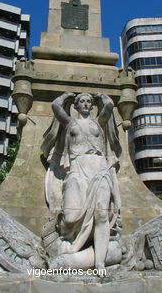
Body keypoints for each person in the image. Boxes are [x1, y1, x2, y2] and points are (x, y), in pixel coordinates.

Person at [42, 92, 122, 273]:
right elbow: (56, 106)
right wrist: (66, 96)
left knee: (102, 215)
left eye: (88, 102)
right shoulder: (71, 123)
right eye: (82, 102)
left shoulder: (98, 123)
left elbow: (109, 106)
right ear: (76, 106)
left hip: (99, 168)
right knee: (70, 216)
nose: (86, 104)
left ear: (92, 106)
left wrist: (101, 96)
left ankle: (99, 262)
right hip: (77, 169)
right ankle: (72, 246)